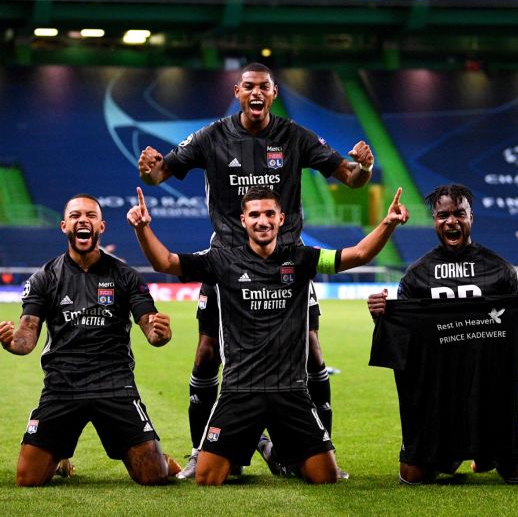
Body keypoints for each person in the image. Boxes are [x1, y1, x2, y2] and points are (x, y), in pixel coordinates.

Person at [137, 62, 374, 479]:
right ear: (237, 91)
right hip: (226, 261)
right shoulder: (212, 136)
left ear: (274, 92)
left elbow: (351, 177)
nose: (256, 93)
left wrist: (365, 169)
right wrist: (149, 169)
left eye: (264, 86)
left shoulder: (295, 136)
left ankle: (308, 450)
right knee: (207, 352)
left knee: (312, 350)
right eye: (249, 87)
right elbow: (159, 175)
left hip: (289, 262)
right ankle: (201, 449)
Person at [128, 185, 409, 485]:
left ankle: (271, 449)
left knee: (325, 477)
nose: (262, 220)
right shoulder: (221, 261)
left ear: (281, 219)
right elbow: (166, 262)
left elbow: (360, 253)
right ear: (243, 220)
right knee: (207, 479)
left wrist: (388, 222)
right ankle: (256, 442)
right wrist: (143, 229)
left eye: (269, 214)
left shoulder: (303, 260)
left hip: (291, 391)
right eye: (255, 215)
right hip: (239, 391)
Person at [0, 193, 180, 487]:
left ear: (101, 227)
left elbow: (151, 330)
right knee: (27, 480)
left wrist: (161, 333)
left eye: (91, 216)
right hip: (62, 385)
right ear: (64, 226)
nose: (83, 220)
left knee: (154, 476)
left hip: (114, 384)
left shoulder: (126, 275)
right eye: (76, 215)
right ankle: (58, 457)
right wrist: (11, 342)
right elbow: (26, 338)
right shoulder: (44, 278)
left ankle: (160, 457)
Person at [367, 184, 518, 485]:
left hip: (489, 385)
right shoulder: (416, 275)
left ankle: (493, 443)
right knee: (411, 477)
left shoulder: (501, 270)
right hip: (436, 389)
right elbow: (403, 338)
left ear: (471, 218)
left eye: (459, 214)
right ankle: (451, 454)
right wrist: (381, 315)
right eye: (443, 215)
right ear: (435, 220)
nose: (452, 221)